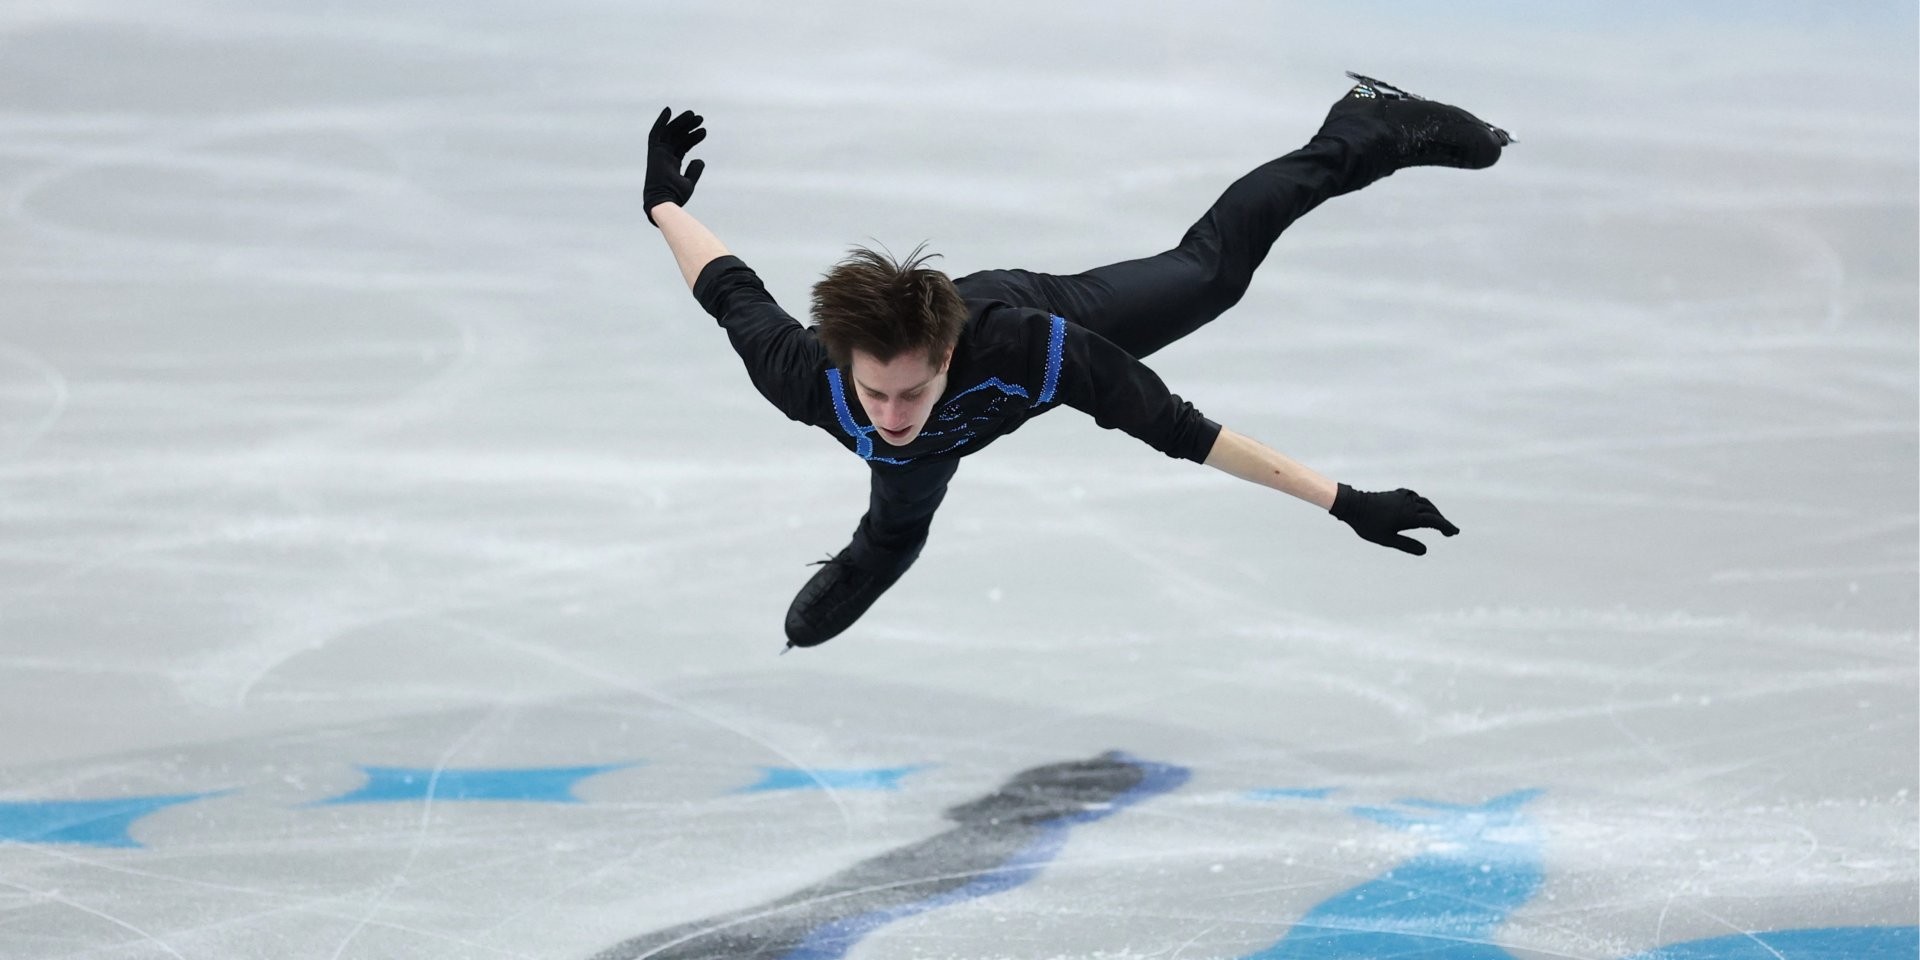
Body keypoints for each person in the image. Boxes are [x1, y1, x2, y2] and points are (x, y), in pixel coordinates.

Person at [645, 73, 1509, 650]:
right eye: (875, 392)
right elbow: (728, 287)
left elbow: (1183, 433)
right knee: (900, 513)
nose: (894, 413)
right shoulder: (809, 376)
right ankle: (878, 553)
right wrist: (661, 204)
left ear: (948, 353)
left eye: (913, 390)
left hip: (1036, 314)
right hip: (934, 441)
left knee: (1213, 274)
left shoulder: (1031, 348)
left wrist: (1345, 502)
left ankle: (1361, 127)